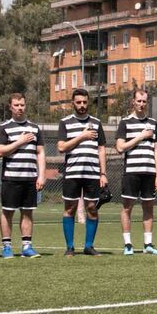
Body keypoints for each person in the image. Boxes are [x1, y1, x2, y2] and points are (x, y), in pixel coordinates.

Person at [57, 87, 107, 255]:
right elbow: (61, 147)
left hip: (92, 173)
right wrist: (82, 136)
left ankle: (89, 246)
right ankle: (70, 247)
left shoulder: (96, 123)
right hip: (72, 173)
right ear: (73, 103)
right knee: (70, 208)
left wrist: (103, 173)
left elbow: (101, 149)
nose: (82, 105)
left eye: (85, 102)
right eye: (78, 102)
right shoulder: (65, 122)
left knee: (92, 208)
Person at [114, 88, 157, 255]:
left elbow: (156, 150)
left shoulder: (153, 123)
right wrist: (140, 136)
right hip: (132, 171)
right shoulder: (125, 122)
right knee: (127, 207)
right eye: (139, 101)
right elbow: (120, 147)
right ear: (133, 102)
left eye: (144, 101)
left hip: (149, 172)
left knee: (148, 207)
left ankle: (148, 244)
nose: (141, 104)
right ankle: (128, 244)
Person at [0, 92, 45, 259]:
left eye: (22, 105)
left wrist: (41, 175)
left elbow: (40, 153)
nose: (19, 108)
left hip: (30, 178)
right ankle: (7, 247)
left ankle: (27, 246)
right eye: (16, 105)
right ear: (10, 107)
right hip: (11, 178)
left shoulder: (34, 128)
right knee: (7, 212)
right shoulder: (4, 128)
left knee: (28, 212)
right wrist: (20, 141)